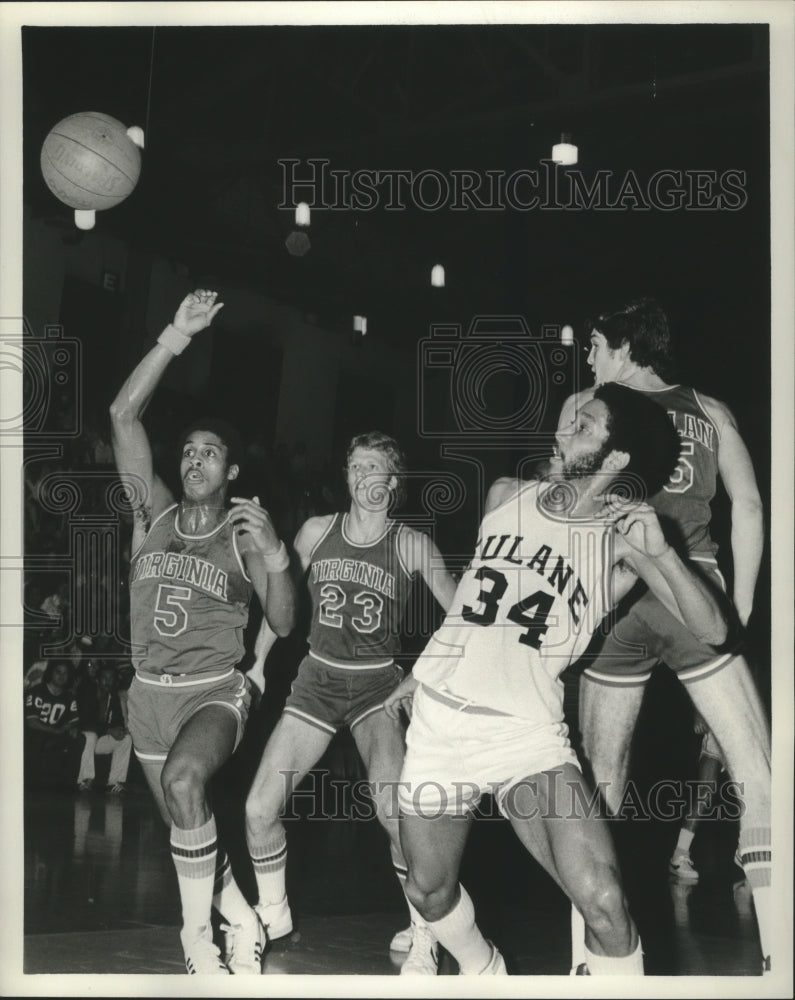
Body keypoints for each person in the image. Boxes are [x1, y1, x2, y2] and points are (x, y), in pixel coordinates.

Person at [384, 383, 729, 976]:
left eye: (585, 424)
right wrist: (423, 672)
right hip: (440, 719)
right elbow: (474, 601)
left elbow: (716, 631)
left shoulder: (625, 539)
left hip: (528, 737)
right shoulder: (506, 493)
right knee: (427, 891)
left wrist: (666, 557)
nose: (565, 428)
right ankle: (484, 968)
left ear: (616, 456)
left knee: (604, 901)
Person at [557, 298, 771, 971]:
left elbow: (558, 503)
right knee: (756, 776)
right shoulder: (711, 410)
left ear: (622, 347)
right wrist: (732, 614)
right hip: (691, 586)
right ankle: (779, 953)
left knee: (597, 786)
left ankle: (585, 963)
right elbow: (749, 507)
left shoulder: (588, 406)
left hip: (614, 592)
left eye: (595, 343)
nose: (587, 356)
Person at [110, 289, 297, 975]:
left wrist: (277, 558)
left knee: (190, 783)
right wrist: (173, 336)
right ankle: (244, 921)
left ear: (232, 471)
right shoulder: (150, 513)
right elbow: (122, 415)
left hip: (215, 691)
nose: (194, 460)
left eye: (210, 453)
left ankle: (196, 945)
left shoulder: (243, 535)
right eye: (188, 451)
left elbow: (281, 622)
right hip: (148, 696)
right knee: (189, 827)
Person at [244, 431, 457, 975]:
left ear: (394, 481)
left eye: (378, 467)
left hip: (375, 687)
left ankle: (424, 932)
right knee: (258, 809)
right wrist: (259, 663)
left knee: (395, 814)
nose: (367, 477)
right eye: (357, 466)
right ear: (347, 477)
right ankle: (274, 912)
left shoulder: (410, 544)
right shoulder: (317, 531)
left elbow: (461, 618)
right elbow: (282, 598)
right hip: (316, 679)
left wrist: (424, 677)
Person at [24, 660, 83, 789]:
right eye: (58, 672)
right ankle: (32, 785)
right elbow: (31, 722)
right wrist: (55, 731)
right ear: (51, 673)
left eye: (65, 673)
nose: (62, 676)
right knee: (38, 739)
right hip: (36, 732)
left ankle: (69, 785)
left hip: (56, 733)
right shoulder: (36, 691)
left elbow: (74, 721)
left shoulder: (69, 696)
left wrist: (73, 728)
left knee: (79, 739)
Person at [75, 663, 133, 793]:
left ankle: (114, 783)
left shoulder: (113, 697)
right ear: (97, 679)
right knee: (91, 735)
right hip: (82, 741)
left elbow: (117, 720)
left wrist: (120, 730)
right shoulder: (86, 693)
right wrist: (109, 730)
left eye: (111, 678)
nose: (108, 681)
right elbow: (84, 722)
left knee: (125, 739)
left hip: (99, 741)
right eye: (104, 678)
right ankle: (84, 781)